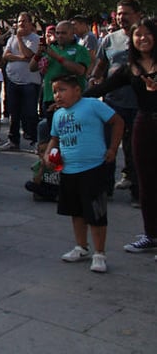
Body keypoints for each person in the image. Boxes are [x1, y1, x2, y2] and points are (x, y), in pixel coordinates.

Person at [85, 17, 157, 257]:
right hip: (144, 123)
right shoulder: (130, 68)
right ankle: (151, 234)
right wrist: (74, 98)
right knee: (145, 181)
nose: (142, 38)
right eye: (138, 35)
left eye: (147, 34)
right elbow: (103, 88)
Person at [47, 74, 123, 273]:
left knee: (96, 213)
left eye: (62, 90)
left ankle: (99, 253)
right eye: (55, 91)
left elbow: (118, 122)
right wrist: (47, 154)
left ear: (77, 90)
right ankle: (81, 246)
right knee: (76, 211)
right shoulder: (58, 115)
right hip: (69, 169)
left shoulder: (91, 105)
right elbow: (55, 138)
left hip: (93, 168)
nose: (58, 95)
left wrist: (113, 149)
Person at [91, 0, 143, 203]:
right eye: (119, 13)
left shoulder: (145, 37)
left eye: (126, 13)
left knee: (136, 149)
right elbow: (101, 65)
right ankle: (106, 188)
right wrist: (95, 78)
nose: (121, 17)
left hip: (140, 104)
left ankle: (138, 192)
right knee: (107, 146)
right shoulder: (110, 39)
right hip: (113, 103)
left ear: (138, 15)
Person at [0, 12, 41, 151]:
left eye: (24, 21)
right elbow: (6, 55)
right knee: (14, 112)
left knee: (30, 113)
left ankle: (35, 140)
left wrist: (19, 38)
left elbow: (29, 54)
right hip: (13, 80)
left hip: (29, 82)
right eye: (19, 21)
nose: (21, 24)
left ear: (30, 23)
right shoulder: (11, 39)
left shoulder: (35, 39)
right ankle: (13, 140)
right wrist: (21, 58)